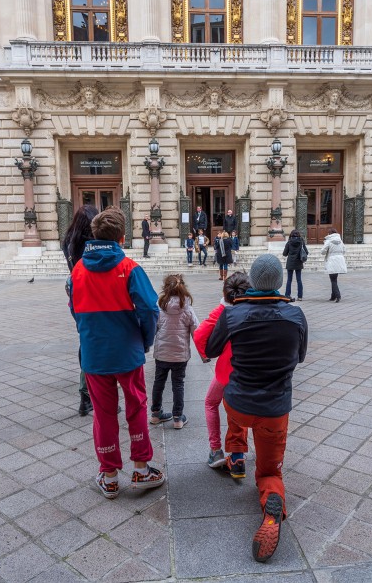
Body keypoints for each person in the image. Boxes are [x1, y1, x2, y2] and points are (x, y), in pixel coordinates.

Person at [206, 254, 308, 563]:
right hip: (274, 409)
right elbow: (300, 356)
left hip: (238, 403)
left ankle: (235, 453)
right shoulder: (296, 315)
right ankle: (272, 500)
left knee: (234, 408)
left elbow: (210, 349)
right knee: (268, 470)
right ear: (279, 282)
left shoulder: (233, 314)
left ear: (252, 280)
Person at [69, 207, 165, 499]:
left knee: (103, 413)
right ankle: (140, 468)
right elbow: (150, 309)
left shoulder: (78, 270)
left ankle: (109, 475)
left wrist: (90, 337)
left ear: (94, 236)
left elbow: (75, 311)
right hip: (127, 352)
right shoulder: (129, 268)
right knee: (136, 407)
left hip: (95, 354)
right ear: (122, 238)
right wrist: (145, 339)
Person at [194, 272, 250, 468]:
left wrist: (206, 354)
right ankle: (237, 456)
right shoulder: (253, 310)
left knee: (211, 402)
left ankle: (215, 449)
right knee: (238, 408)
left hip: (226, 371)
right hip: (248, 370)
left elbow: (200, 334)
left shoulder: (222, 311)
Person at [63, 204, 99, 416]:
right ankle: (87, 394)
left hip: (75, 294)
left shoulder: (68, 240)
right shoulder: (91, 243)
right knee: (94, 343)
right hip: (92, 294)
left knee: (85, 338)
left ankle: (88, 391)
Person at [150, 274, 199, 430]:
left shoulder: (159, 307)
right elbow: (197, 331)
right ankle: (178, 417)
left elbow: (153, 328)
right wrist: (204, 353)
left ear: (165, 289)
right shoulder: (187, 309)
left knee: (159, 383)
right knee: (178, 385)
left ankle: (156, 414)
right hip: (180, 355)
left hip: (162, 353)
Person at [321, 227, 347, 302]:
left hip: (331, 260)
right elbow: (344, 250)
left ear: (330, 234)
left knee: (333, 280)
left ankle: (338, 295)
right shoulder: (340, 240)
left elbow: (323, 252)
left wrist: (324, 244)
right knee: (334, 279)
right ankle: (333, 296)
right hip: (339, 260)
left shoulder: (328, 241)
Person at [282, 229, 308, 302]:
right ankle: (300, 296)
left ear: (291, 235)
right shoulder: (301, 242)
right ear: (299, 235)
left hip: (290, 262)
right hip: (298, 262)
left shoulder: (289, 242)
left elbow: (284, 253)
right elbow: (306, 252)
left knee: (289, 280)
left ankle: (287, 295)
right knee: (299, 280)